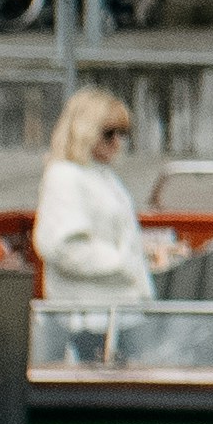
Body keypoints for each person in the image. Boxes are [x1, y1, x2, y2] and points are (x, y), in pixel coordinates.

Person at [34, 80, 160, 361]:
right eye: (109, 133)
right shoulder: (65, 176)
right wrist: (121, 262)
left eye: (123, 133)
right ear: (85, 131)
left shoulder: (101, 174)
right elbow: (61, 245)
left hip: (119, 312)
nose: (118, 142)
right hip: (88, 317)